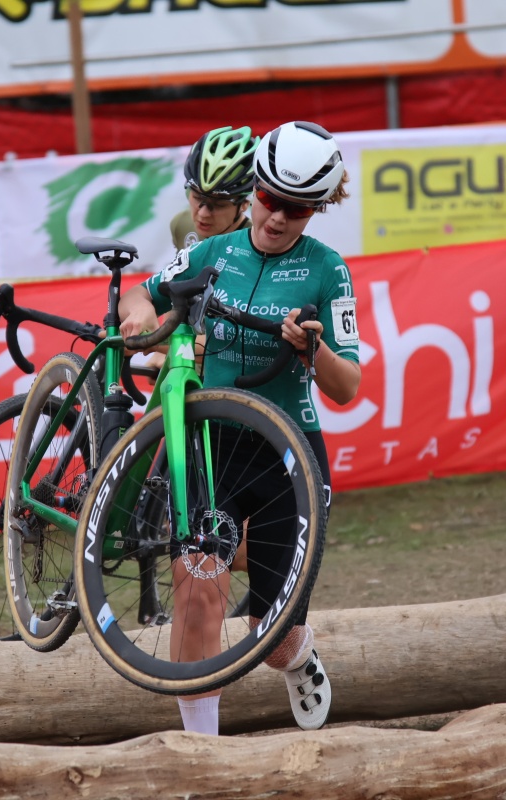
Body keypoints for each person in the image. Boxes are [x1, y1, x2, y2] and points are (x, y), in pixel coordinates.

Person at [120, 120, 361, 734]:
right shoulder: (211, 252)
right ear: (254, 187)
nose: (277, 218)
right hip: (213, 442)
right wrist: (139, 320)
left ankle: (298, 656)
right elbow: (142, 296)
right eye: (270, 199)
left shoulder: (328, 270)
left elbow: (347, 386)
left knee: (274, 640)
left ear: (318, 209)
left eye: (297, 209)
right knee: (198, 593)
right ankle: (204, 755)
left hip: (289, 454)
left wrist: (314, 351)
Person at [169, 125, 257, 251]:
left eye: (219, 204)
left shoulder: (258, 246)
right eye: (197, 197)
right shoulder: (181, 225)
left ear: (244, 204)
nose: (203, 214)